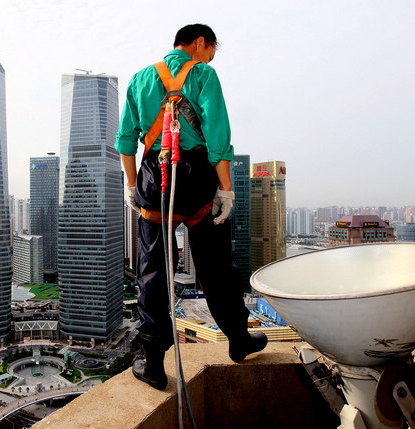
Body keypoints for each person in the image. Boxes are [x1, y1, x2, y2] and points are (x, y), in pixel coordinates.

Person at [115, 24, 268, 390]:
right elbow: (218, 138)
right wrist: (226, 190)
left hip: (156, 178)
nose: (211, 57)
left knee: (152, 272)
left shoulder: (140, 79)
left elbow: (125, 141)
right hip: (198, 179)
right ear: (200, 43)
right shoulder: (203, 74)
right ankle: (238, 339)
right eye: (211, 50)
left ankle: (152, 363)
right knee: (217, 267)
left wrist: (133, 185)